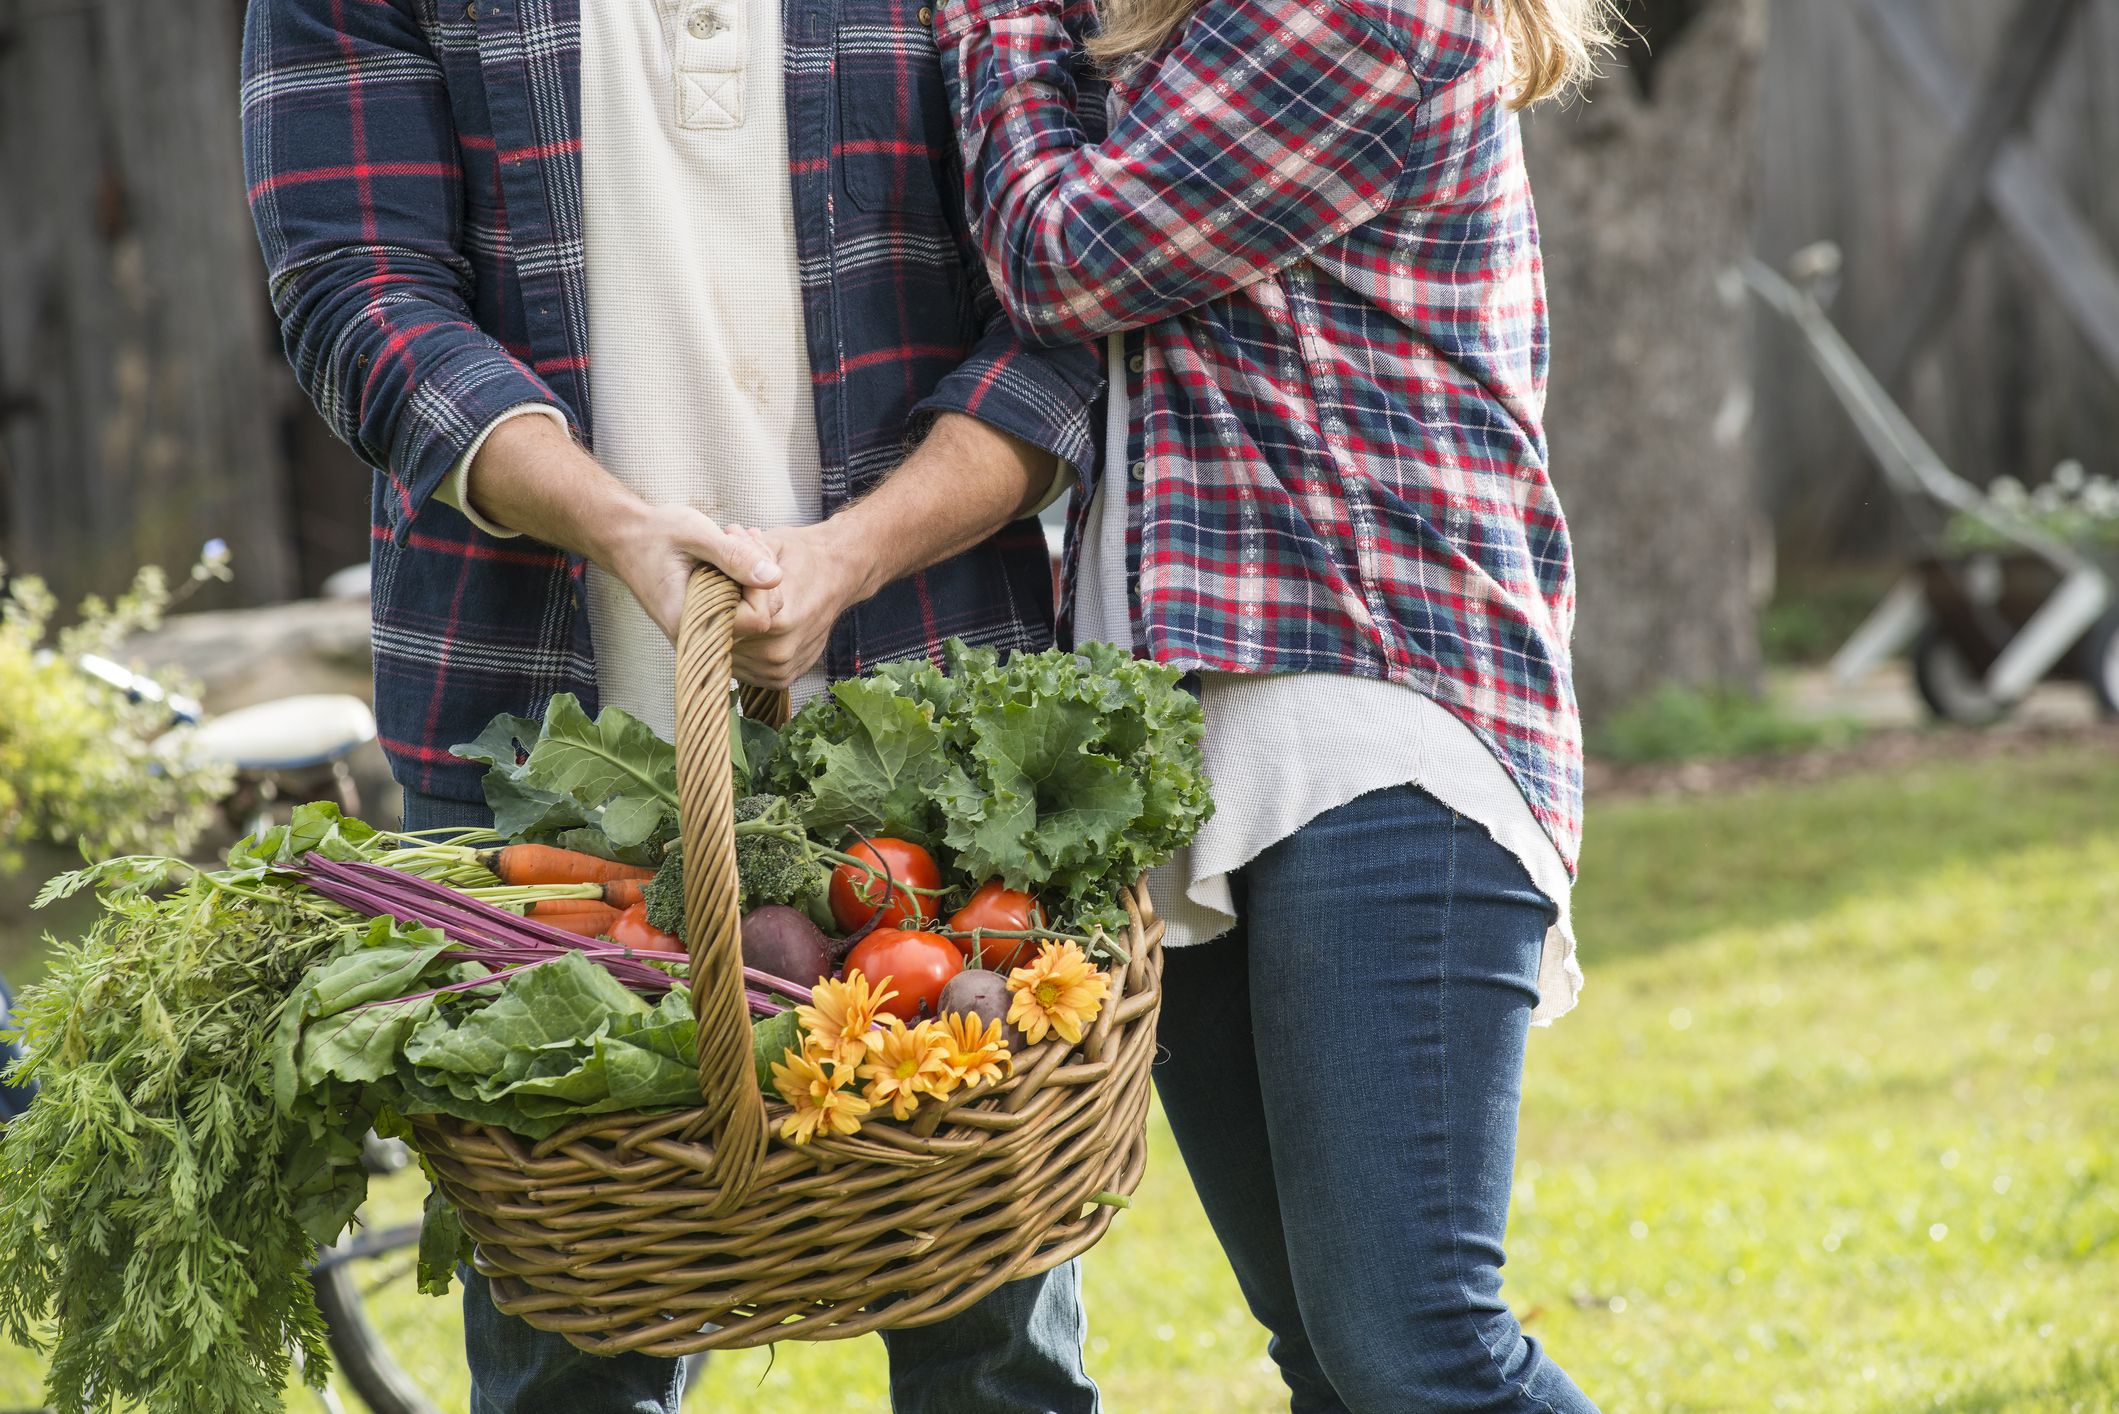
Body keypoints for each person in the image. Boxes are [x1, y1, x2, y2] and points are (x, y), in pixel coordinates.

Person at [240, 0, 1105, 1408]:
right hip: (532, 750)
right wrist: (624, 527)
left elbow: (1058, 314)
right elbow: (359, 293)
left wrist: (854, 551)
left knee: (992, 1349)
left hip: (931, 724)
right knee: (569, 1365)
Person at [933, 0, 1611, 1407]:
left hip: (1376, 710)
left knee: (1415, 1349)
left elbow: (1063, 260)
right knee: (1328, 1348)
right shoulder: (1181, 33)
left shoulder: (1354, 12)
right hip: (1207, 743)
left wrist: (993, 17)